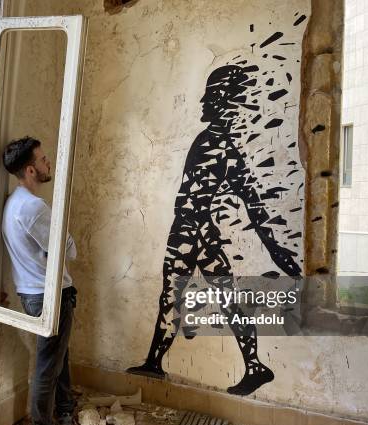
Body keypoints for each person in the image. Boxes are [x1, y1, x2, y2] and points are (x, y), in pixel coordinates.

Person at [127, 64, 301, 396]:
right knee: (220, 297)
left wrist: (279, 254)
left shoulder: (218, 146)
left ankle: (157, 363)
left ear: (221, 99)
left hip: (191, 233)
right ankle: (251, 366)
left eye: (209, 94)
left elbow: (253, 206)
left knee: (175, 298)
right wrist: (278, 252)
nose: (203, 101)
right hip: (199, 232)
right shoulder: (223, 147)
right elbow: (255, 206)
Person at [2, 136, 81, 425]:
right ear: (32, 170)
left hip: (34, 291)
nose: (49, 163)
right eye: (45, 159)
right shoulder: (33, 207)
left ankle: (64, 410)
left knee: (58, 357)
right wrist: (67, 240)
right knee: (47, 368)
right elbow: (69, 249)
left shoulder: (14, 202)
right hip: (48, 295)